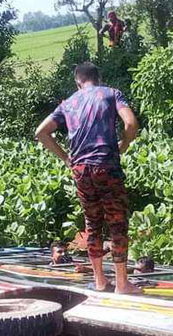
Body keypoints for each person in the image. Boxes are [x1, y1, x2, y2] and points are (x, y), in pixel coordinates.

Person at [35, 62, 142, 295]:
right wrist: (123, 144)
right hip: (106, 164)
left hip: (81, 170)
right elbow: (131, 124)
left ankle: (100, 281)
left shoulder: (68, 103)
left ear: (78, 81)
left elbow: (41, 132)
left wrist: (66, 158)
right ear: (98, 77)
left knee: (92, 224)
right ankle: (123, 284)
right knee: (117, 222)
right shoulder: (111, 94)